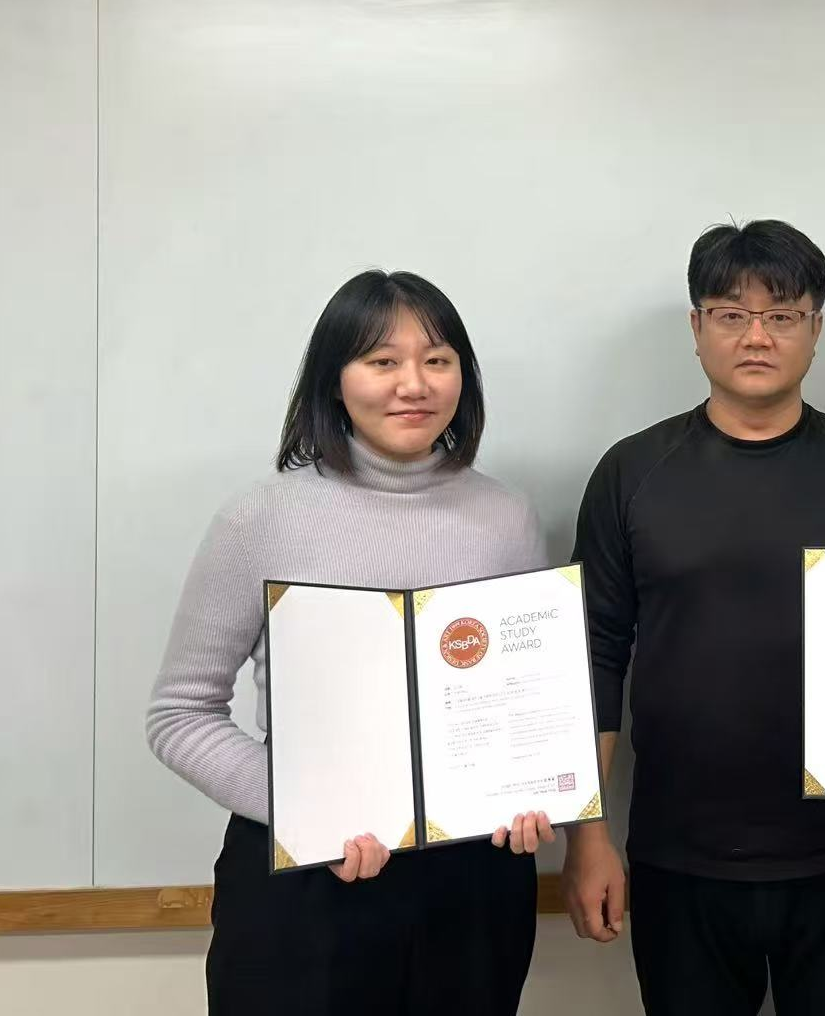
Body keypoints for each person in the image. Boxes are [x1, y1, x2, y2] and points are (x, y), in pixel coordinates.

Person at [564, 219, 825, 1016]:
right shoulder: (632, 473)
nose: (757, 336)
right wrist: (587, 836)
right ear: (696, 327)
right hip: (679, 857)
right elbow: (596, 655)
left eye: (782, 315)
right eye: (731, 314)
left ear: (816, 329)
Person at [146, 270, 554, 1014]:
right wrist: (307, 816)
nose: (414, 384)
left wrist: (528, 792)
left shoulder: (507, 517)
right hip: (306, 881)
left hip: (471, 887)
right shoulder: (261, 517)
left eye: (437, 360)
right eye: (381, 361)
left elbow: (515, 701)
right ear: (334, 380)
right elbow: (180, 715)